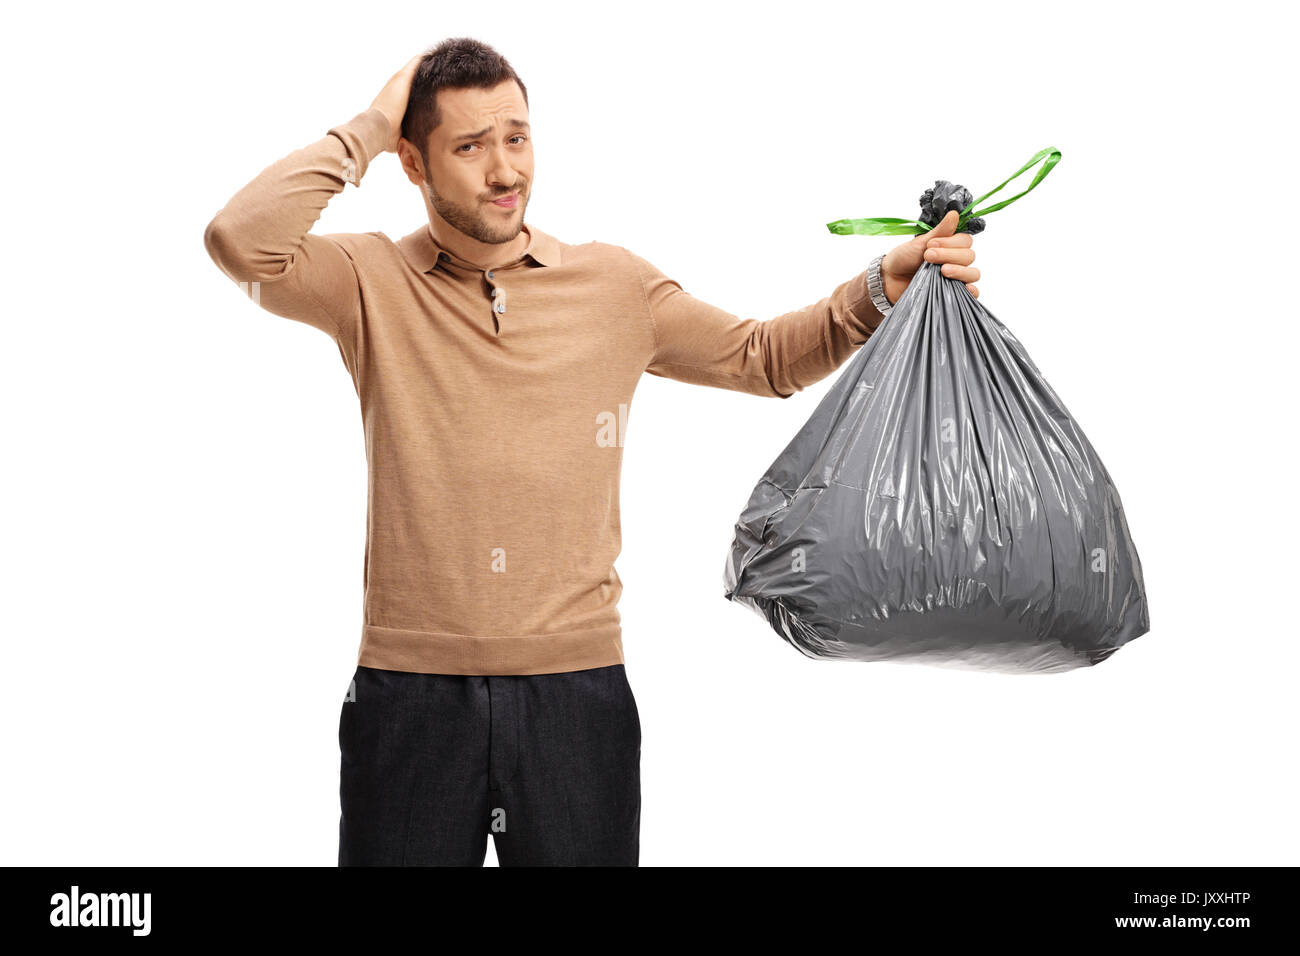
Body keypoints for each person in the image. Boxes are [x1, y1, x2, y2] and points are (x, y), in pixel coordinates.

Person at [202, 37, 980, 867]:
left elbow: (764, 357)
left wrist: (878, 290)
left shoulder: (613, 287)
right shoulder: (369, 280)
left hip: (577, 697)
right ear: (413, 164)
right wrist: (368, 122)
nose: (505, 170)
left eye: (517, 137)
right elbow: (239, 242)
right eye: (468, 146)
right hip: (410, 696)